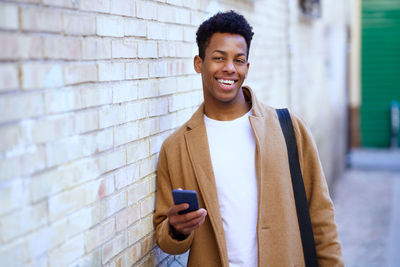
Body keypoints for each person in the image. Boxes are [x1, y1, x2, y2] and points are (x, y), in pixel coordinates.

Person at [154, 10, 343, 266]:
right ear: (199, 63)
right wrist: (177, 229)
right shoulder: (176, 147)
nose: (229, 68)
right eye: (219, 58)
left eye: (239, 60)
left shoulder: (289, 128)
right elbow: (165, 238)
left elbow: (321, 215)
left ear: (247, 66)